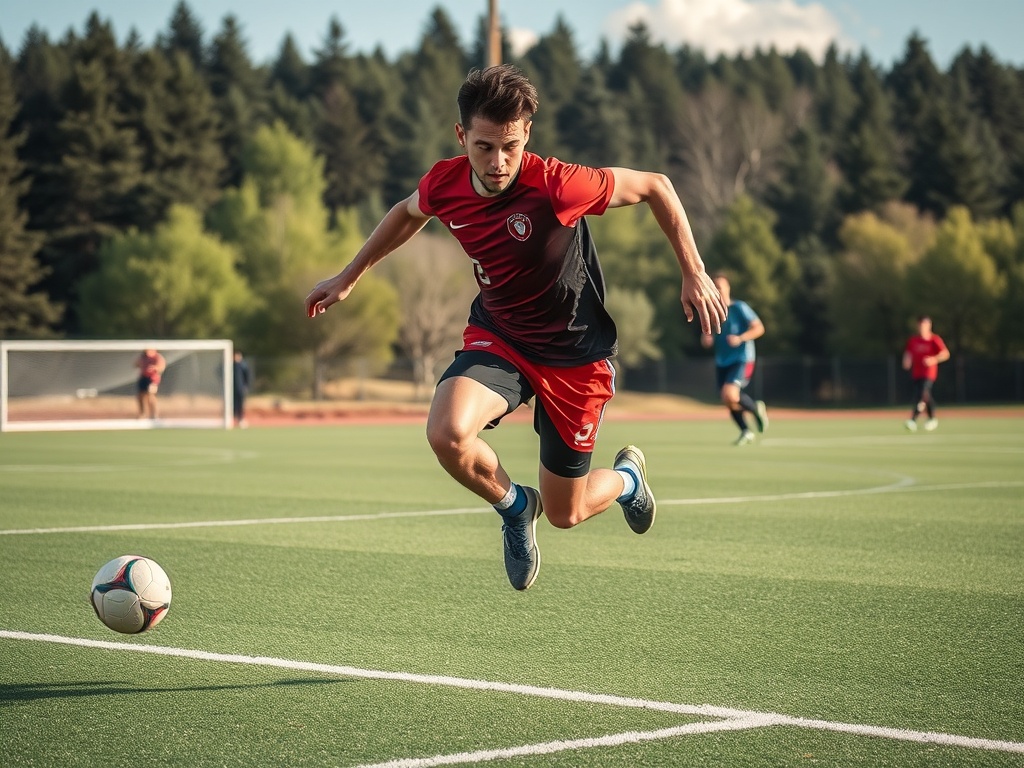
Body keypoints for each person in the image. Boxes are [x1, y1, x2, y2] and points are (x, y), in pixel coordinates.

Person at [305, 64, 727, 591]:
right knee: (446, 432)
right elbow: (407, 212)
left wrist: (693, 270)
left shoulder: (558, 184)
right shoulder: (445, 182)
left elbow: (656, 186)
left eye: (510, 145)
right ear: (461, 137)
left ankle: (627, 480)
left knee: (566, 513)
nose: (498, 161)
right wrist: (348, 277)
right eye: (483, 146)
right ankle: (514, 505)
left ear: (527, 133)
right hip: (500, 336)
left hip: (575, 355)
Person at [700, 273, 767, 446]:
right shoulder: (713, 311)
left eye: (721, 287)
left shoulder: (739, 308)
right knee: (727, 399)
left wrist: (741, 338)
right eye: (715, 288)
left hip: (742, 359)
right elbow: (707, 335)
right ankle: (746, 430)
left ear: (728, 289)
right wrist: (707, 339)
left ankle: (755, 410)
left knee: (729, 393)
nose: (718, 291)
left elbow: (759, 328)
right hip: (723, 361)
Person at [903, 315, 949, 431]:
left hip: (929, 373)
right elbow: (908, 353)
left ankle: (913, 420)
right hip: (917, 373)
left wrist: (933, 359)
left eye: (924, 325)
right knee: (924, 395)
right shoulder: (913, 340)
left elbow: (945, 354)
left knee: (922, 394)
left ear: (929, 326)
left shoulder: (934, 340)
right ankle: (932, 418)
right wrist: (906, 361)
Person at [134, 348, 166, 419]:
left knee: (151, 395)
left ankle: (154, 414)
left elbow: (161, 367)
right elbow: (136, 364)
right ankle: (143, 413)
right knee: (141, 396)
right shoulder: (142, 357)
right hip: (143, 377)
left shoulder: (157, 357)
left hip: (152, 379)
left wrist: (155, 368)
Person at [232, 350, 251, 428]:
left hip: (240, 388)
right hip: (232, 389)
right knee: (233, 404)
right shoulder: (230, 365)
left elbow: (247, 376)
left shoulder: (243, 365)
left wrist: (246, 386)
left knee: (240, 404)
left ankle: (240, 419)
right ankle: (233, 418)